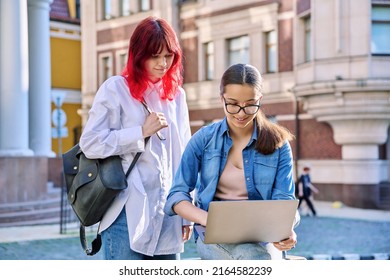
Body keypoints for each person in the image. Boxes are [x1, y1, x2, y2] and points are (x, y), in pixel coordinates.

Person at [79, 16, 192, 260]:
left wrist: (187, 212)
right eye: (155, 56)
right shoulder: (116, 89)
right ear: (139, 55)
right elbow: (90, 143)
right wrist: (139, 133)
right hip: (126, 213)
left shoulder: (177, 96)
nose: (163, 63)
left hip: (167, 214)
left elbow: (184, 157)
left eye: (169, 55)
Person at [164, 63, 300, 260]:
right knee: (255, 259)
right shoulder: (203, 139)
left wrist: (286, 230)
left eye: (250, 104)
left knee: (255, 256)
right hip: (214, 237)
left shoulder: (279, 144)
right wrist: (209, 220)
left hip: (262, 239)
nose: (241, 113)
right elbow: (177, 195)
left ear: (260, 100)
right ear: (222, 99)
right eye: (233, 103)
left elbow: (284, 199)